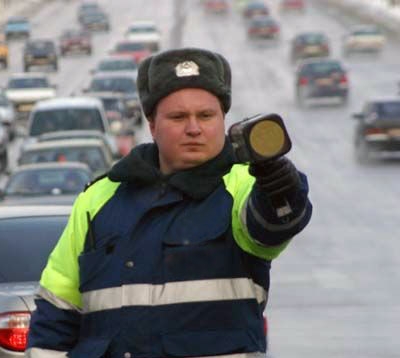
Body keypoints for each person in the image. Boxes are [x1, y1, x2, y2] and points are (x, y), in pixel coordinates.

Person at [26, 48, 312, 358]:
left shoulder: (244, 185)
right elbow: (56, 313)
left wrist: (279, 184)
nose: (194, 128)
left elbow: (275, 220)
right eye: (178, 117)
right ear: (151, 124)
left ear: (223, 119)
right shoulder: (99, 198)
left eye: (206, 115)